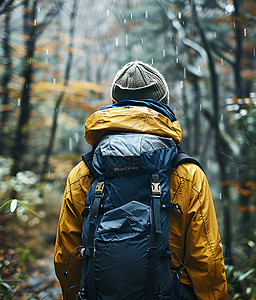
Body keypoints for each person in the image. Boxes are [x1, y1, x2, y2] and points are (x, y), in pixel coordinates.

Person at [54, 60, 227, 299]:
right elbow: (206, 258)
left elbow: (67, 255)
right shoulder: (187, 174)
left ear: (116, 104)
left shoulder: (83, 173)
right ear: (162, 103)